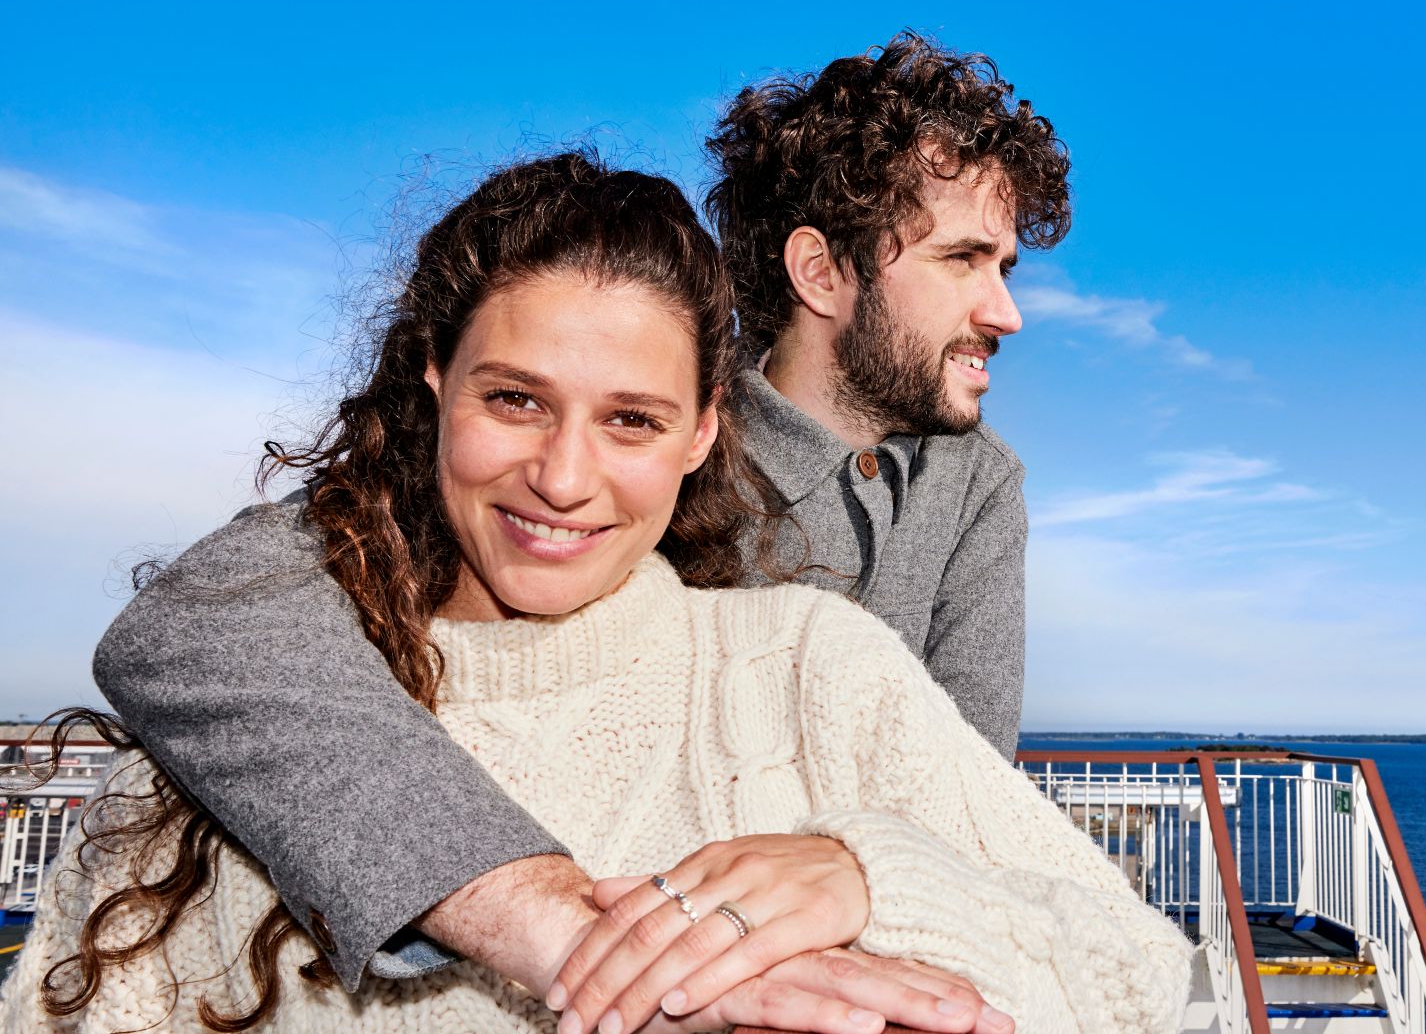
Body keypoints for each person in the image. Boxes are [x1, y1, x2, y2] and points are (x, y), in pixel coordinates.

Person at [1, 153, 1190, 1033]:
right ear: (433, 381)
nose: (564, 479)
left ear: (703, 432)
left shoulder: (815, 673)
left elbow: (1148, 977)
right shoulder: (248, 730)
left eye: (632, 419)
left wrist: (877, 875)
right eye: (514, 399)